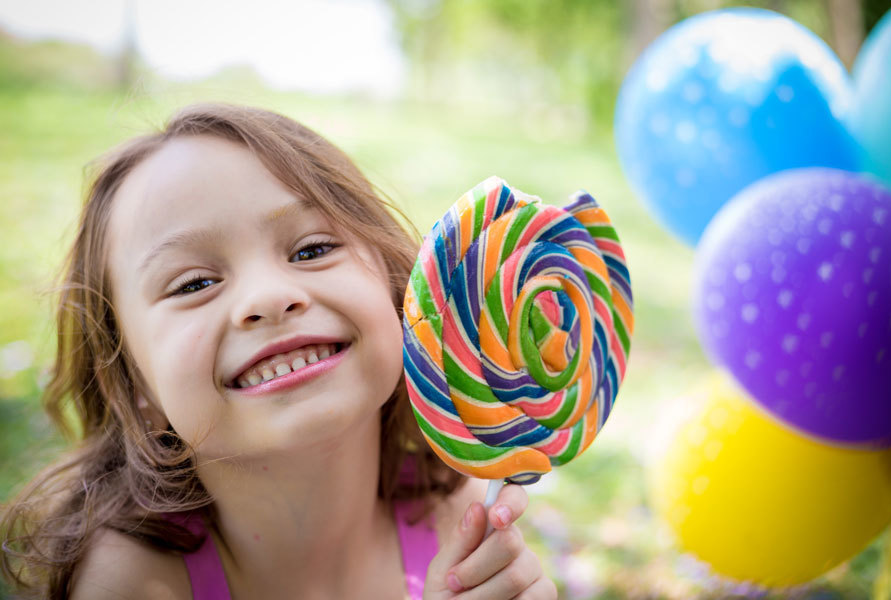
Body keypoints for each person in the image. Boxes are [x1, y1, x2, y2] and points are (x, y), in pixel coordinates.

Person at [0, 104, 557, 599]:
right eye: (193, 283)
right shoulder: (131, 582)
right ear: (135, 382)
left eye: (312, 248)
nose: (269, 297)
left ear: (398, 293)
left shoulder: (457, 521)